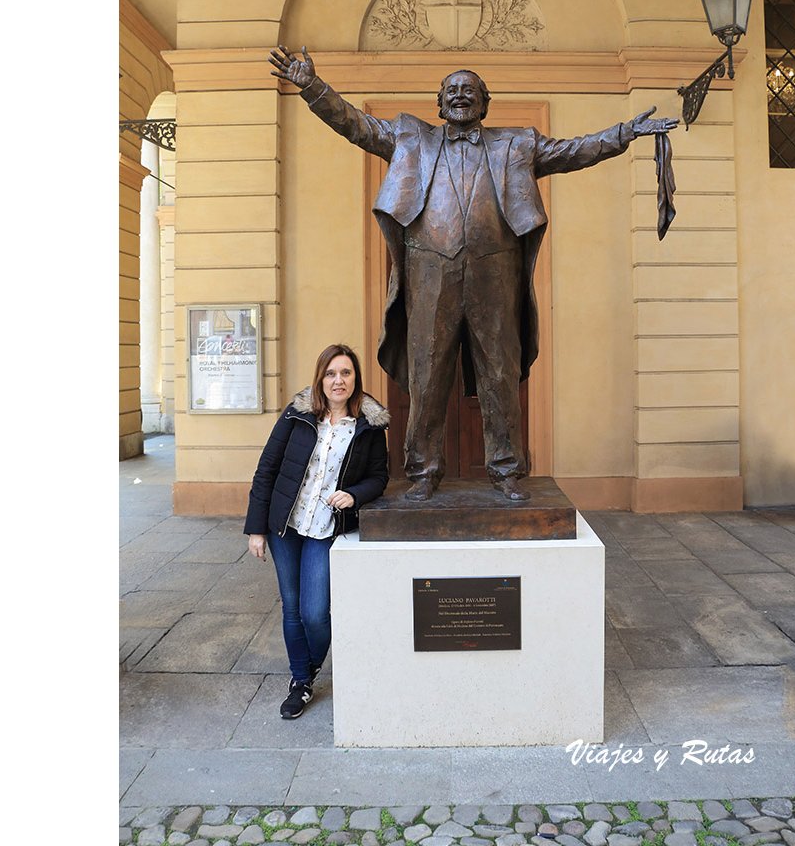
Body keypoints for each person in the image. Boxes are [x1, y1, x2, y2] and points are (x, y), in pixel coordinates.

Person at [270, 46, 678, 501]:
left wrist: (627, 132)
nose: (460, 96)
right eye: (452, 90)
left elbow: (574, 151)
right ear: (440, 102)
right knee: (427, 376)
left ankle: (505, 470)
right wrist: (311, 86)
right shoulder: (409, 138)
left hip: (494, 275)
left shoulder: (518, 143)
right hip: (429, 275)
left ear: (485, 103)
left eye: (470, 91)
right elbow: (356, 124)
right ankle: (423, 471)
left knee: (499, 374)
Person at [245, 343, 389, 719]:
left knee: (315, 613)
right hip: (285, 527)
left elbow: (379, 477)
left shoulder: (368, 426)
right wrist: (256, 530)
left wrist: (353, 495)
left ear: (355, 379)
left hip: (324, 529)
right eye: (331, 373)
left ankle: (309, 667)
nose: (337, 380)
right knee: (291, 607)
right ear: (320, 378)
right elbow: (266, 471)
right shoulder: (297, 415)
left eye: (345, 373)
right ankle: (301, 681)